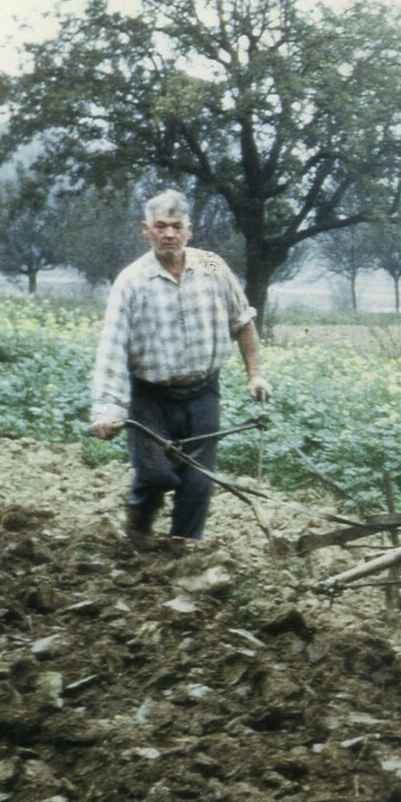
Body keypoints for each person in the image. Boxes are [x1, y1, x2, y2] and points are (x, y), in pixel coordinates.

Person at [90, 189, 273, 541]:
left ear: (190, 229)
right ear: (146, 230)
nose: (169, 234)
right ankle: (139, 524)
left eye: (176, 226)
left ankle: (183, 553)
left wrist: (255, 374)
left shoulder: (211, 266)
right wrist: (106, 408)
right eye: (161, 226)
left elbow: (243, 321)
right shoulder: (131, 280)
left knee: (198, 481)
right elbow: (112, 347)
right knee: (155, 474)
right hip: (150, 396)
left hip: (203, 392)